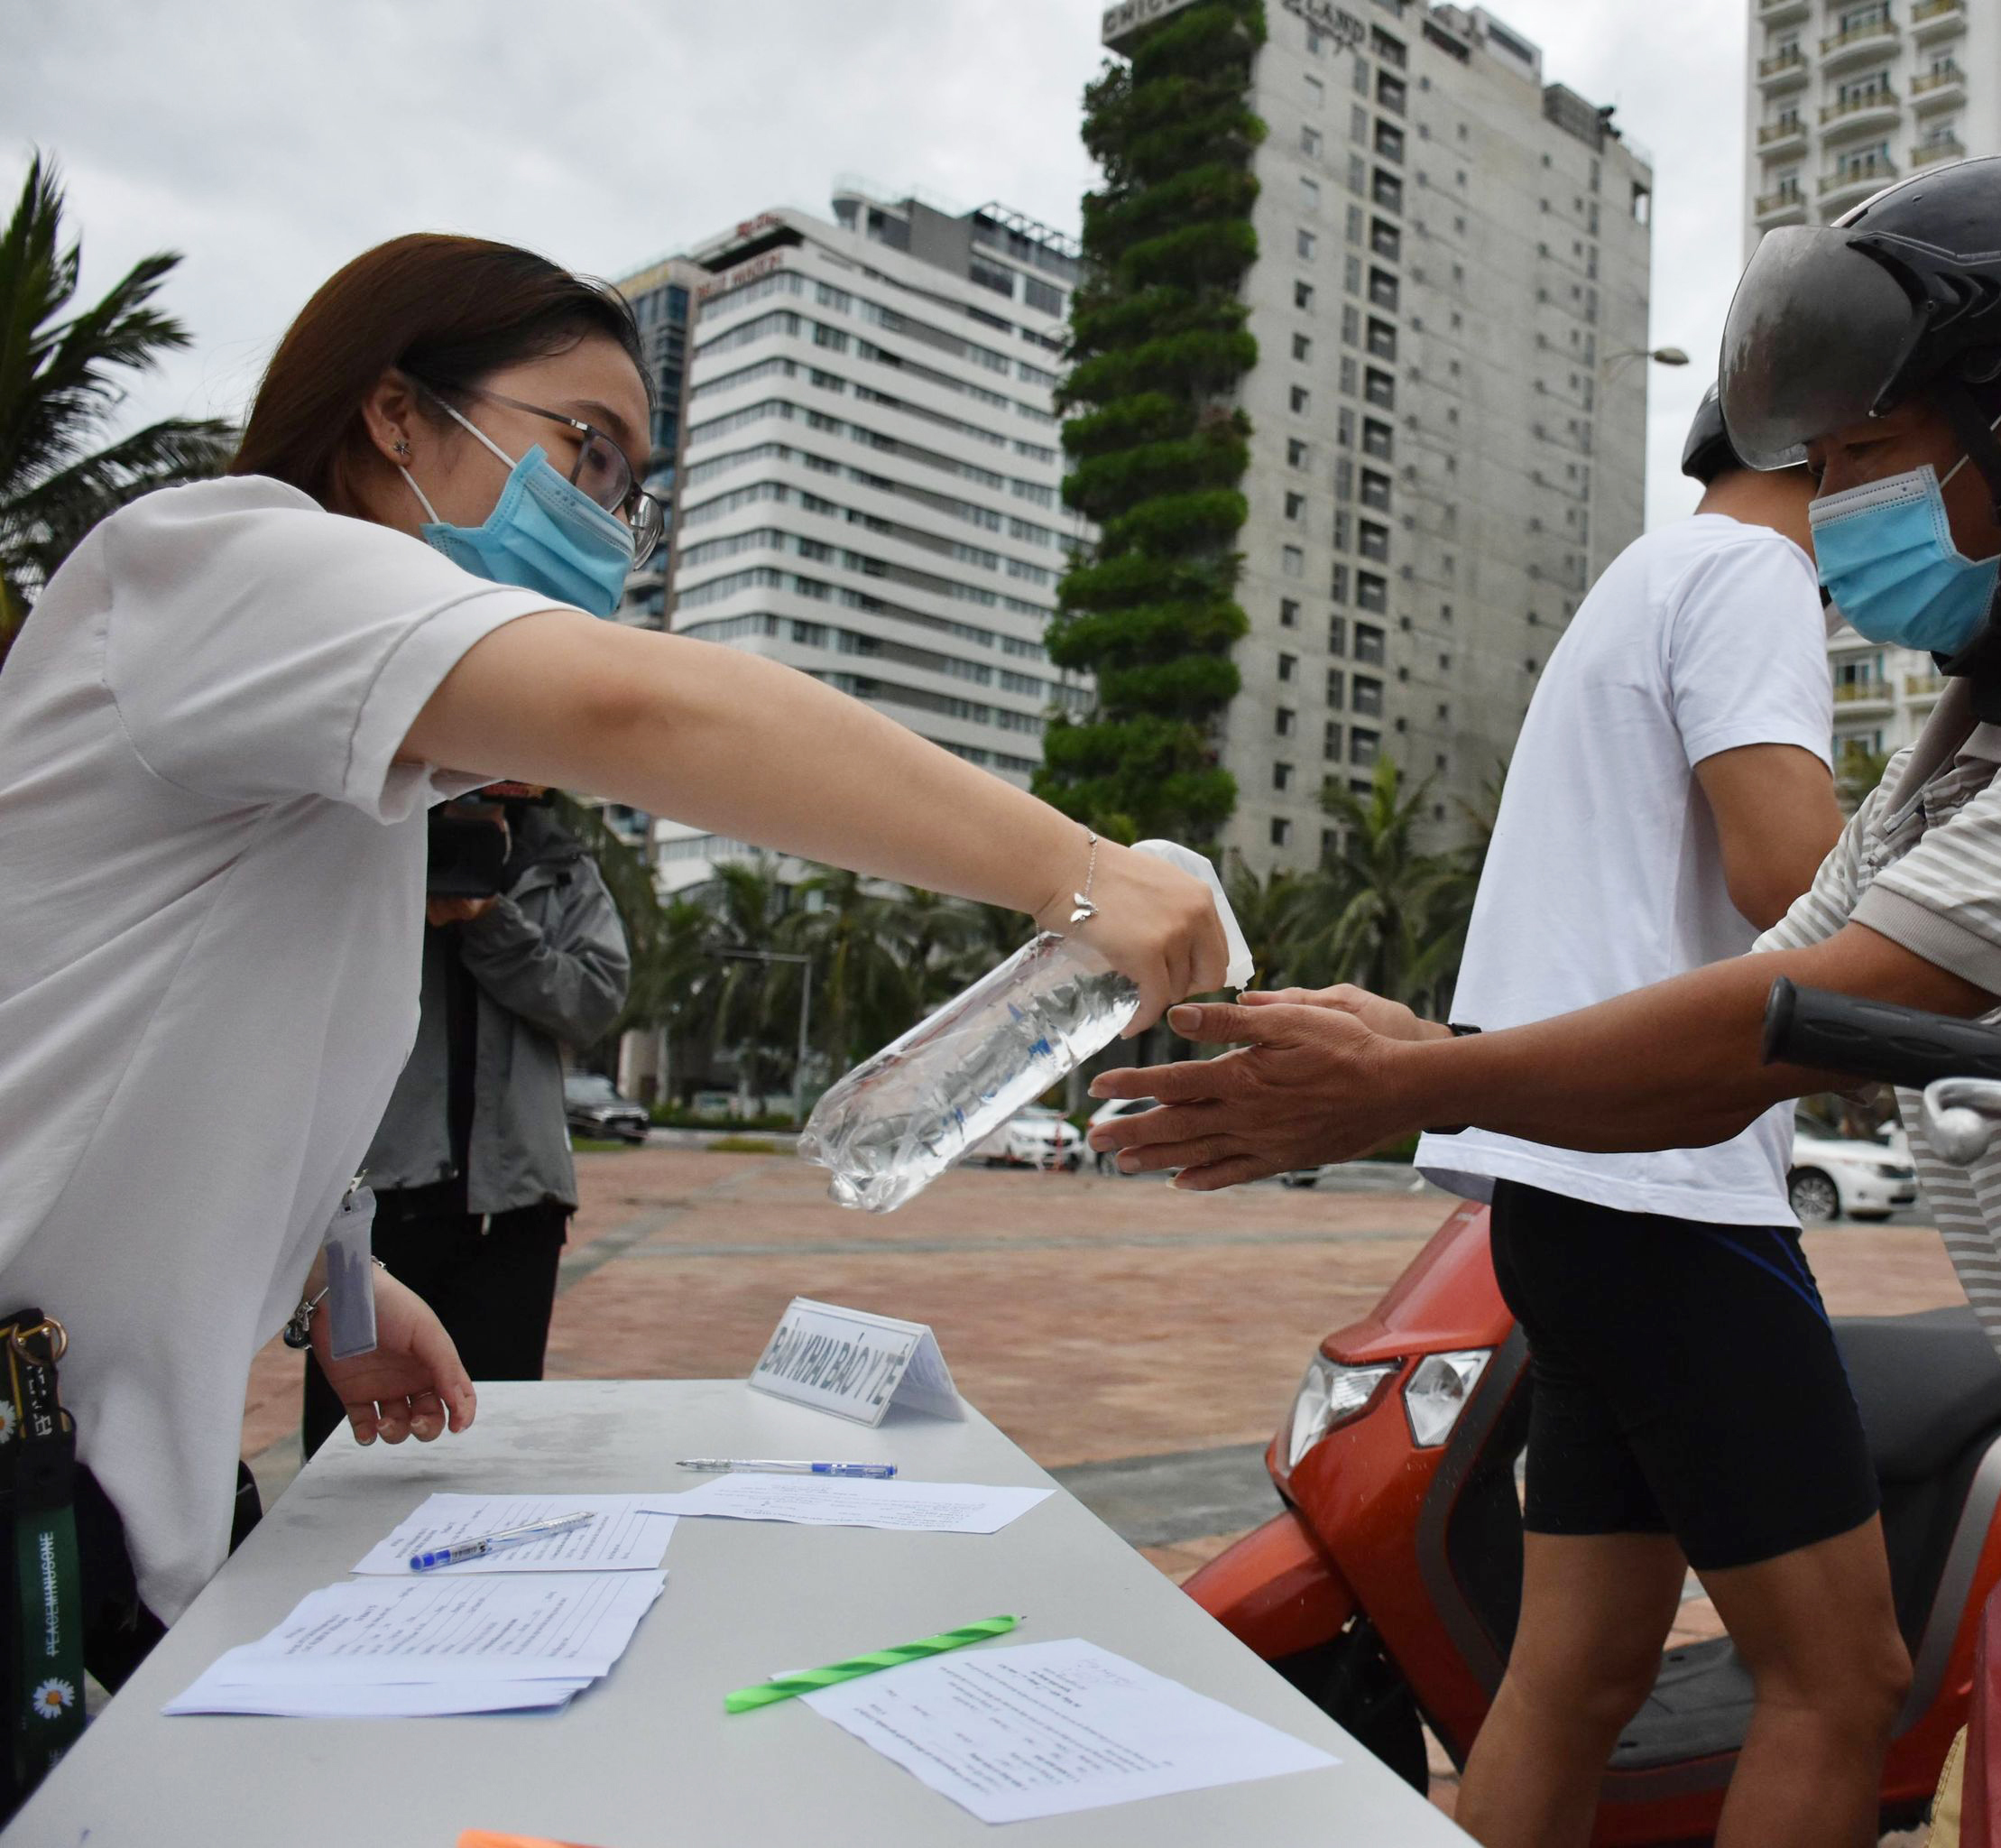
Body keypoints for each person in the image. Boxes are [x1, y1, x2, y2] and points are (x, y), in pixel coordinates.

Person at [1092, 154, 2001, 1540]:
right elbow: (1779, 979)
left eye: (1861, 458)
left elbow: (1792, 1025)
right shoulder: (1975, 739)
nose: (1826, 508)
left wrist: (1407, 1083)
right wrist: (1424, 1048)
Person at [0, 234, 1228, 1668]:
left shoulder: (352, 781)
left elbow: (202, 1057)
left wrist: (336, 1282)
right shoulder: (219, 562)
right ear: (393, 413)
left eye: (629, 489)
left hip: (95, 1497)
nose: (602, 517)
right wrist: (1077, 875)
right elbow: (644, 714)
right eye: (581, 451)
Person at [1357, 386, 1904, 1848]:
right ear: (1825, 452)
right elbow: (1788, 873)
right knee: (1841, 1676)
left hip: (1566, 1203)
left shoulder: (1653, 569)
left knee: (1575, 1672)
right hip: (1672, 1195)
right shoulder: (1751, 574)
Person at [300, 785, 628, 1459]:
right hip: (372, 1197)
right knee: (351, 1436)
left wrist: (489, 921)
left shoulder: (562, 867)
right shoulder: (370, 841)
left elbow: (593, 1002)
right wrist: (396, 896)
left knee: (496, 1434)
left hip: (514, 1207)